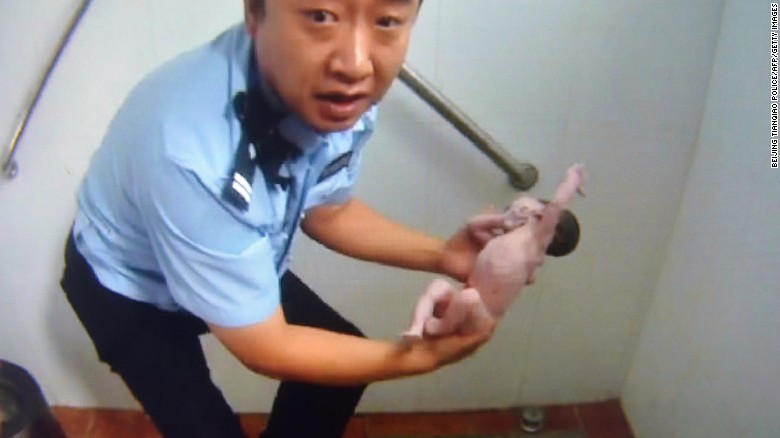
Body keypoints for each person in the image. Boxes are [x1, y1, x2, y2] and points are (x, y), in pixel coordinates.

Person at [59, 1, 494, 437]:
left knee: (336, 378)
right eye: (321, 16)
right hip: (126, 286)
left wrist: (445, 254)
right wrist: (423, 357)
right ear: (255, 12)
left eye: (386, 22)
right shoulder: (194, 152)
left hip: (226, 248)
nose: (355, 63)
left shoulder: (334, 94)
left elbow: (329, 212)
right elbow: (266, 346)